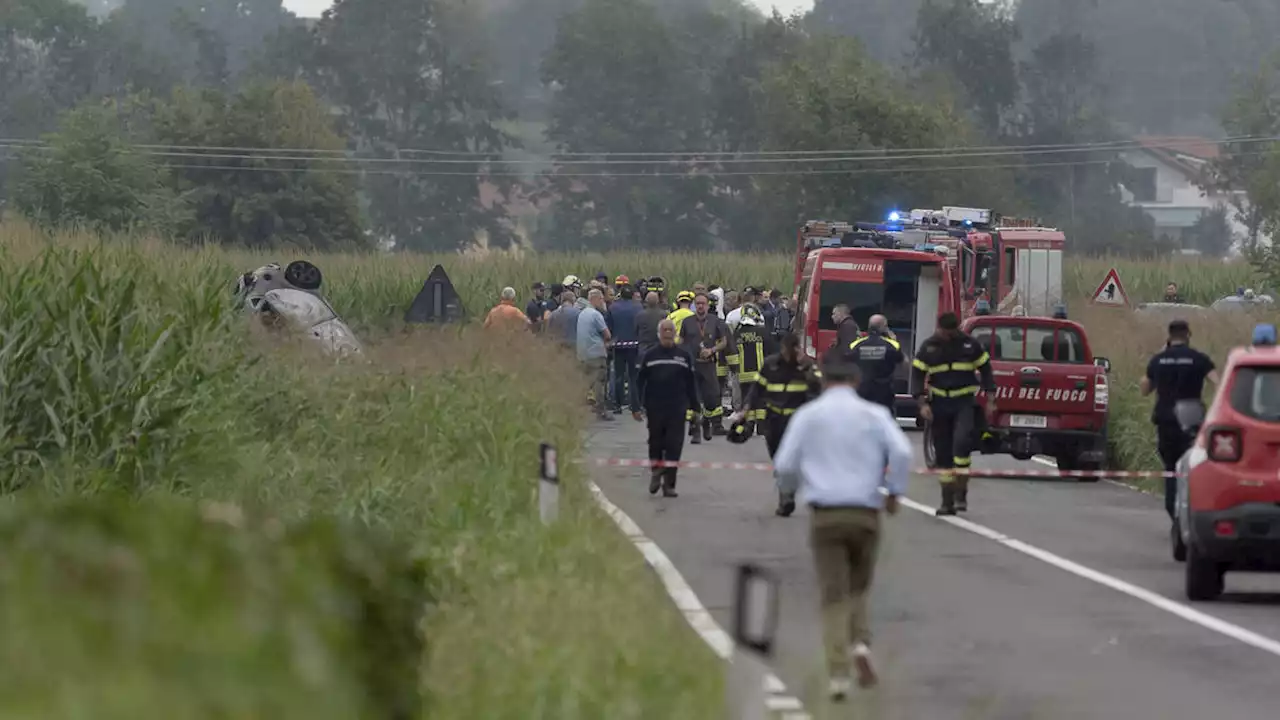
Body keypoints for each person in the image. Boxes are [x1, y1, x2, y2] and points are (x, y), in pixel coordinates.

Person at [772, 352, 910, 700]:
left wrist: (791, 491)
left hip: (826, 515)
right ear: (856, 381)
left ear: (822, 381)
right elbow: (903, 453)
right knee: (858, 588)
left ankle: (838, 673)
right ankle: (861, 645)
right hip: (865, 513)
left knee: (833, 595)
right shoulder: (874, 414)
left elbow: (785, 464)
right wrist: (894, 493)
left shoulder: (809, 415)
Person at [910, 312, 996, 516]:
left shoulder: (969, 345)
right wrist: (921, 402)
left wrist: (991, 398)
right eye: (943, 332)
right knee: (943, 453)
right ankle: (946, 501)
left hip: (963, 403)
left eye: (949, 332)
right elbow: (917, 374)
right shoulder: (929, 347)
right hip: (939, 404)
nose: (945, 335)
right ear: (939, 328)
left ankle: (961, 494)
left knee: (961, 444)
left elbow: (986, 369)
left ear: (955, 330)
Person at [730, 332, 822, 517]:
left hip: (797, 422)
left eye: (796, 349)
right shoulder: (770, 365)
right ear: (783, 349)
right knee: (779, 458)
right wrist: (745, 410)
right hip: (774, 420)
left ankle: (788, 496)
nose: (793, 353)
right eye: (790, 349)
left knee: (793, 459)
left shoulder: (807, 366)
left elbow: (820, 388)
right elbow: (757, 390)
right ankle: (786, 492)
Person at [1140, 319, 1218, 520]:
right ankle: (1189, 510)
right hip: (1191, 422)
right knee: (1191, 467)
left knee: (1171, 468)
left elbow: (1144, 389)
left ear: (1169, 336)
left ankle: (1173, 510)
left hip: (1166, 422)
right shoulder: (1199, 359)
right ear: (1188, 335)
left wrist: (1160, 354)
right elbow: (1219, 383)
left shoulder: (1158, 360)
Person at [635, 319, 704, 497]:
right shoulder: (650, 355)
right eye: (664, 330)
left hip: (677, 407)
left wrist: (696, 406)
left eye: (670, 330)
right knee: (656, 441)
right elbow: (640, 380)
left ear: (675, 333)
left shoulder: (683, 356)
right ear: (659, 334)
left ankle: (669, 484)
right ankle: (656, 471)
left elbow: (691, 382)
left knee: (674, 445)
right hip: (655, 406)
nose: (667, 333)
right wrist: (637, 404)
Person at [679, 293, 730, 442]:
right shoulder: (687, 322)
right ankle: (695, 431)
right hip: (692, 365)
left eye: (703, 303)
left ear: (708, 305)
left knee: (712, 398)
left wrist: (712, 350)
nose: (700, 306)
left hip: (709, 365)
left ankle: (706, 423)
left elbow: (724, 342)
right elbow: (681, 340)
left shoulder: (715, 322)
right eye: (698, 303)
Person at [848, 314, 904, 413]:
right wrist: (894, 340)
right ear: (884, 327)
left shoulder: (855, 345)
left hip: (862, 390)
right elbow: (902, 361)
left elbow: (847, 363)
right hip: (884, 393)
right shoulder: (892, 345)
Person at [731, 304, 776, 420]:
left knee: (747, 401)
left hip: (743, 376)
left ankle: (749, 426)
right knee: (761, 400)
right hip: (760, 374)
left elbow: (732, 352)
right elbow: (771, 351)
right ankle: (761, 427)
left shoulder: (737, 334)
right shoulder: (763, 332)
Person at [577, 289, 613, 421]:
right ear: (596, 299)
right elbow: (607, 334)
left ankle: (578, 409)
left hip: (583, 353)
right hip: (596, 353)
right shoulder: (596, 315)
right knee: (599, 382)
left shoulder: (582, 314)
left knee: (585, 383)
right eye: (601, 299)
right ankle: (601, 410)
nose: (603, 302)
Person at [607, 285, 642, 415]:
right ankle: (635, 405)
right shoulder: (638, 307)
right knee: (634, 377)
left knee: (619, 376)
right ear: (632, 295)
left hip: (618, 345)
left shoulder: (613, 307)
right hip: (634, 345)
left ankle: (617, 405)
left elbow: (609, 327)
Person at [634, 291, 667, 359]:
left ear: (646, 301)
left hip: (644, 350)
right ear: (658, 301)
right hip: (659, 350)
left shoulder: (640, 315)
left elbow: (635, 331)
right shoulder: (664, 315)